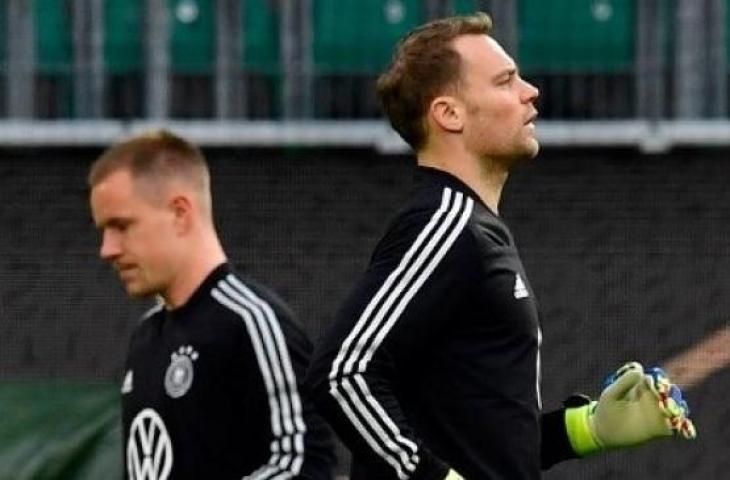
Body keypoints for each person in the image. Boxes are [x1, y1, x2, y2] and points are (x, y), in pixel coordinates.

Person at [305, 12, 695, 480]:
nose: (530, 91)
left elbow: (486, 442)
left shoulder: (474, 228)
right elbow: (341, 374)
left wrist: (588, 428)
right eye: (505, 81)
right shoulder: (444, 223)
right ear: (449, 114)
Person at [89, 130, 336, 480]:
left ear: (179, 213)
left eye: (121, 226)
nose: (107, 249)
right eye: (103, 231)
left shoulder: (251, 323)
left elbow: (303, 466)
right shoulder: (146, 337)